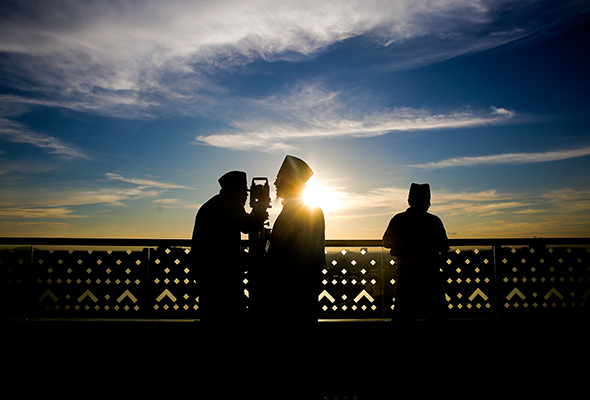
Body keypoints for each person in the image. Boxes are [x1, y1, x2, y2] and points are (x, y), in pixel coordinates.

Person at [191, 170, 267, 323]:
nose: (246, 195)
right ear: (234, 190)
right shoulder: (228, 204)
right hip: (220, 277)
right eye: (244, 190)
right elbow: (248, 225)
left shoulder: (217, 203)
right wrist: (260, 209)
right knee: (229, 315)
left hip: (209, 274)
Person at [265, 155, 326, 324]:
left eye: (280, 179)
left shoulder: (308, 212)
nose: (276, 183)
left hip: (295, 297)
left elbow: (303, 260)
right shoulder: (290, 211)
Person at [382, 183, 449, 322]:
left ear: (409, 200)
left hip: (407, 275)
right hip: (431, 275)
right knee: (436, 316)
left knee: (404, 316)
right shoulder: (434, 221)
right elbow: (444, 246)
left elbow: (387, 242)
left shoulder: (399, 220)